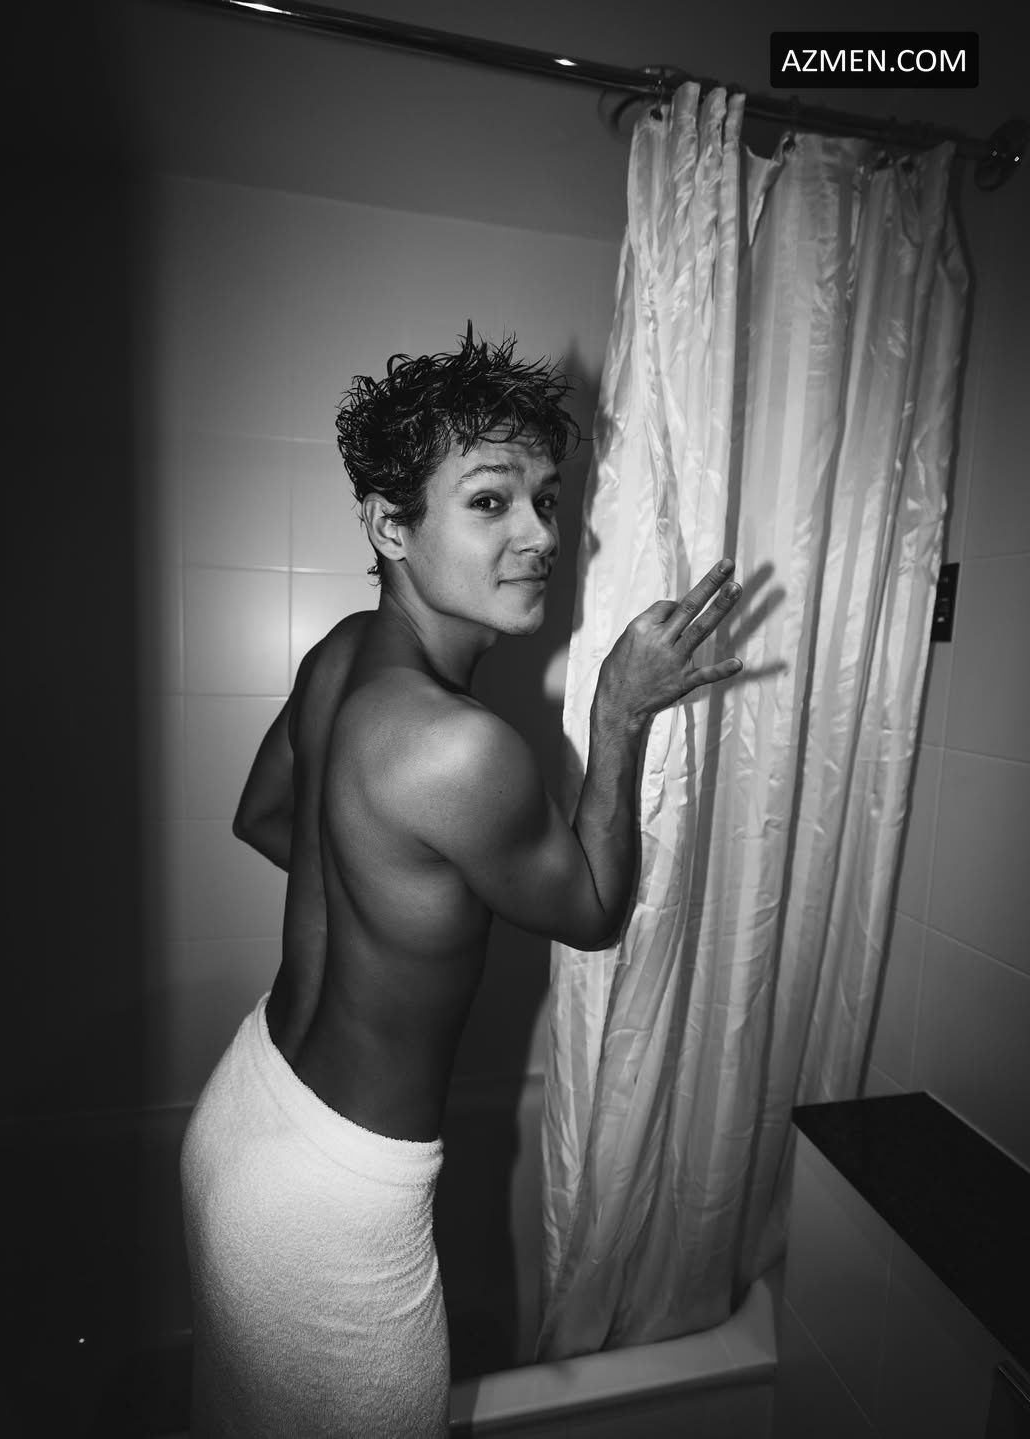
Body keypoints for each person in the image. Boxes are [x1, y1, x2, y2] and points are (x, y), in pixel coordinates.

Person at [180, 328, 743, 1437]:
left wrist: (392, 886)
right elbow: (594, 911)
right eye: (491, 501)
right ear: (390, 526)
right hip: (333, 1202)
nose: (543, 535)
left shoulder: (340, 655)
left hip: (249, 1108)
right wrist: (619, 711)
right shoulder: (461, 746)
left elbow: (263, 816)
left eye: (547, 498)